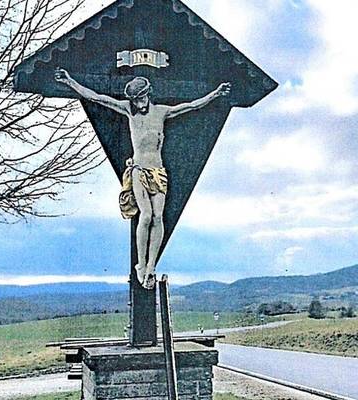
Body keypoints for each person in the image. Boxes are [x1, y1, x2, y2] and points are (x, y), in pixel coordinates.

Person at [55, 68, 231, 289]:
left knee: (158, 217)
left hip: (158, 172)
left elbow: (191, 105)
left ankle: (150, 267)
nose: (138, 104)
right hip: (139, 170)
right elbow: (97, 97)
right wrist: (70, 81)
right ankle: (141, 264)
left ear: (147, 95)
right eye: (135, 100)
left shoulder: (161, 112)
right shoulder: (128, 111)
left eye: (140, 99)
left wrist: (216, 93)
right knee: (145, 215)